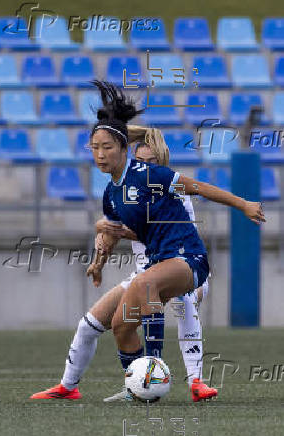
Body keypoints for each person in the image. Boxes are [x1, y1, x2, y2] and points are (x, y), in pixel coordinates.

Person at [86, 80, 265, 394]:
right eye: (95, 148)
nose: (100, 155)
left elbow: (198, 187)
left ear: (123, 150)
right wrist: (98, 263)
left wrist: (243, 204)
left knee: (153, 287)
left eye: (107, 147)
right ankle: (138, 387)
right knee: (121, 325)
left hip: (187, 261)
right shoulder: (111, 194)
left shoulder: (150, 175)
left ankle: (170, 374)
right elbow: (112, 234)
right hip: (155, 266)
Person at [29, 123, 216, 402]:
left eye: (151, 162)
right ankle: (73, 387)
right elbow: (113, 230)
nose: (143, 167)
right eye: (139, 162)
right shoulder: (124, 191)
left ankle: (196, 381)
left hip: (180, 268)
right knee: (90, 324)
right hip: (144, 272)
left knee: (183, 302)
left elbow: (142, 231)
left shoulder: (173, 194)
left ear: (161, 164)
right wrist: (98, 260)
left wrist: (111, 230)